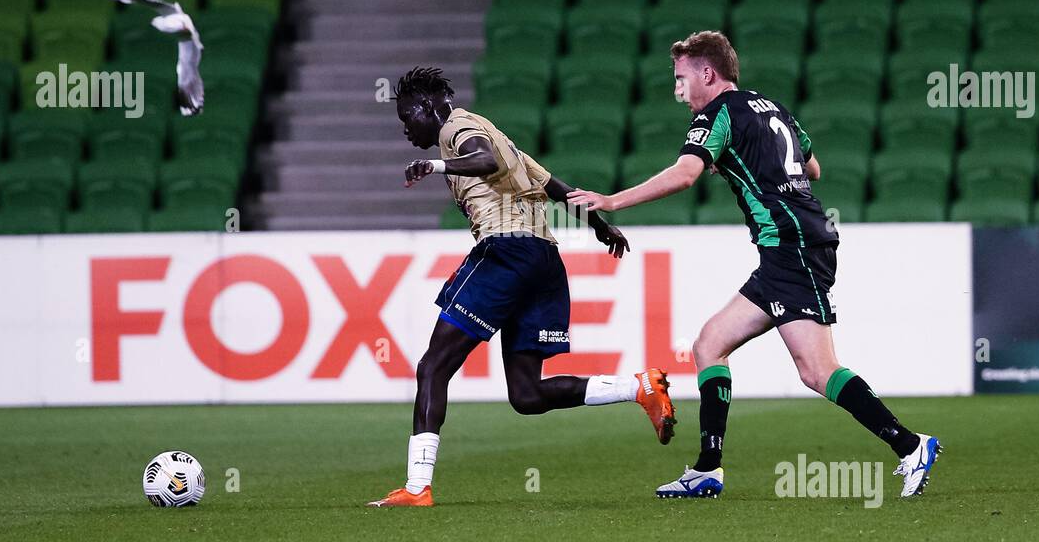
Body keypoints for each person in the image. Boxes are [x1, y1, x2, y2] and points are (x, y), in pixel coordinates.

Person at [567, 32, 941, 499]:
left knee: (816, 370)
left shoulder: (715, 115)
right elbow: (814, 167)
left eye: (681, 79)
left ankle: (910, 446)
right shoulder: (772, 107)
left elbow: (686, 174)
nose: (678, 90)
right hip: (794, 243)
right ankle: (708, 468)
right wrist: (750, 164)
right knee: (709, 344)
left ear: (708, 73)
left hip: (792, 246)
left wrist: (611, 201)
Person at [366, 66, 677, 507]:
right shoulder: (500, 136)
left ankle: (417, 487)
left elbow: (484, 160)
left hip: (506, 252)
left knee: (433, 367)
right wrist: (599, 225)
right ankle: (639, 387)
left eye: (406, 118)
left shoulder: (459, 128)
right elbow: (553, 185)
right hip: (543, 261)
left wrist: (435, 165)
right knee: (527, 395)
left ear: (427, 107)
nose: (405, 129)